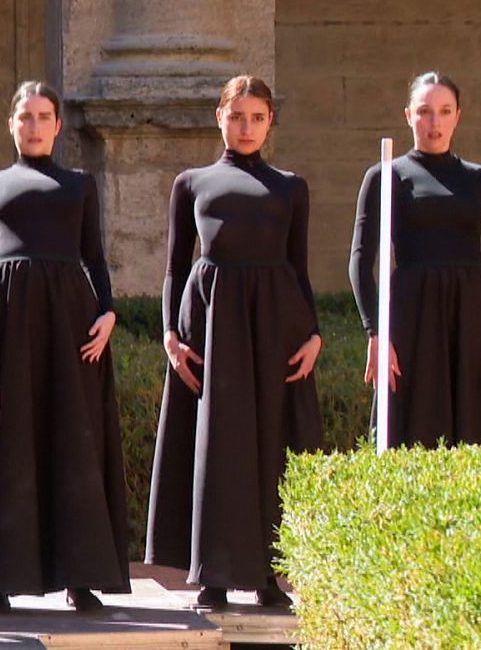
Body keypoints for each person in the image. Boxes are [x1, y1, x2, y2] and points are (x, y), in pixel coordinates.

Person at [146, 75, 322, 610]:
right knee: (216, 444)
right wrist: (170, 335)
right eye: (237, 116)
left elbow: (300, 267)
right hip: (212, 323)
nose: (247, 127)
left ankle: (271, 576)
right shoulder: (191, 182)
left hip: (276, 325)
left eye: (258, 117)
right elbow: (175, 267)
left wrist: (313, 333)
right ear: (219, 117)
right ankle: (213, 574)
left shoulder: (291, 186)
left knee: (272, 444)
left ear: (271, 122)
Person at [0, 81, 128, 614]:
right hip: (1, 325)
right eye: (24, 117)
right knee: (6, 441)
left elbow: (95, 259)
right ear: (11, 124)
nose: (33, 126)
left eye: (43, 116)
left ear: (57, 125)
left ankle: (80, 577)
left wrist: (108, 313)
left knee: (72, 442)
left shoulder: (80, 185)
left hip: (70, 327)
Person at [348, 72, 481, 447]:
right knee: (408, 430)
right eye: (424, 111)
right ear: (408, 116)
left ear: (457, 116)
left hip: (473, 319)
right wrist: (376, 333)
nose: (434, 122)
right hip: (410, 317)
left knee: (479, 434)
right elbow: (360, 262)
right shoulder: (385, 176)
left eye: (444, 111)